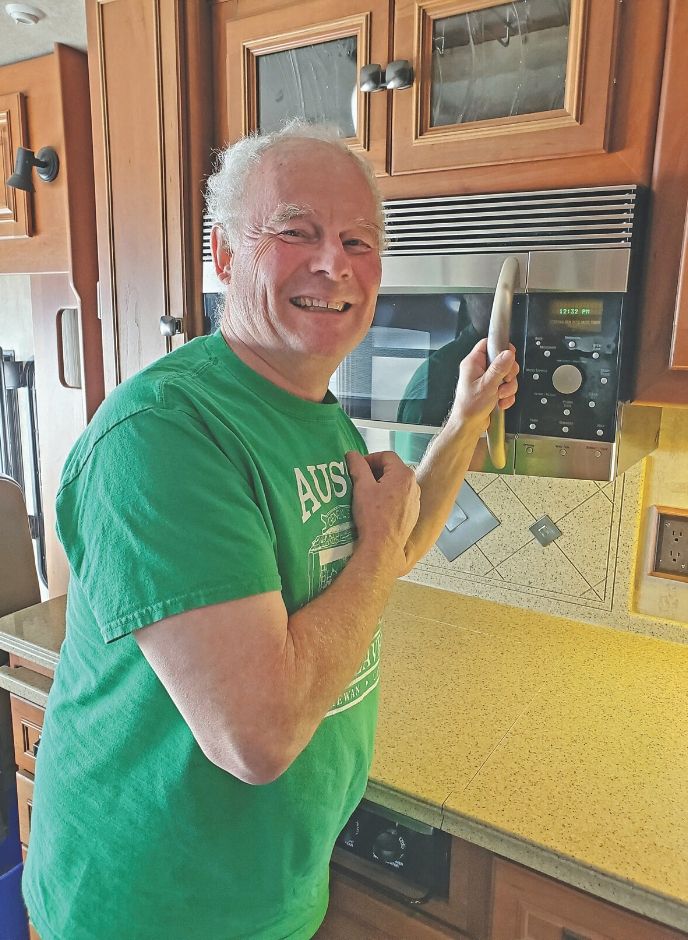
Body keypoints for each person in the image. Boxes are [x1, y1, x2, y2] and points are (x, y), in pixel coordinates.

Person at [22, 123, 518, 940]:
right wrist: (377, 550)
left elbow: (387, 545)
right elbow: (260, 734)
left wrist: (462, 422)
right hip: (146, 906)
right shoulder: (166, 434)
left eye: (358, 240)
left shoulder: (314, 417)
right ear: (222, 255)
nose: (334, 264)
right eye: (297, 232)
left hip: (270, 893)